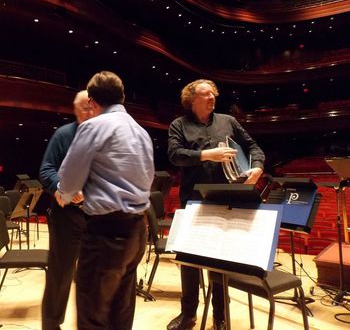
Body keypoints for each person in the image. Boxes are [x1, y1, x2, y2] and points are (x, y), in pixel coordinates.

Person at [55, 70, 155, 330]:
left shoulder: (93, 126)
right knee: (120, 314)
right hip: (136, 231)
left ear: (92, 101)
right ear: (122, 97)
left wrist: (63, 194)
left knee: (93, 315)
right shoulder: (140, 131)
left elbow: (69, 180)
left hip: (106, 234)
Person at [167, 79, 265, 330]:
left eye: (213, 94)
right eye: (205, 94)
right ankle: (188, 314)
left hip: (225, 199)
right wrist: (206, 155)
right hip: (193, 200)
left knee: (219, 262)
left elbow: (252, 146)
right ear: (192, 100)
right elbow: (175, 155)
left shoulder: (228, 121)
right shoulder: (179, 125)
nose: (212, 97)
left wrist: (257, 166)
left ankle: (221, 317)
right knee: (188, 260)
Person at [40, 90, 92, 330]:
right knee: (60, 273)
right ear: (74, 108)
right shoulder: (64, 134)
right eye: (83, 106)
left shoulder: (103, 134)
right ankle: (51, 324)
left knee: (92, 274)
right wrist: (62, 188)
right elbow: (46, 170)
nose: (89, 111)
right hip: (66, 215)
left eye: (92, 106)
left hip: (96, 215)